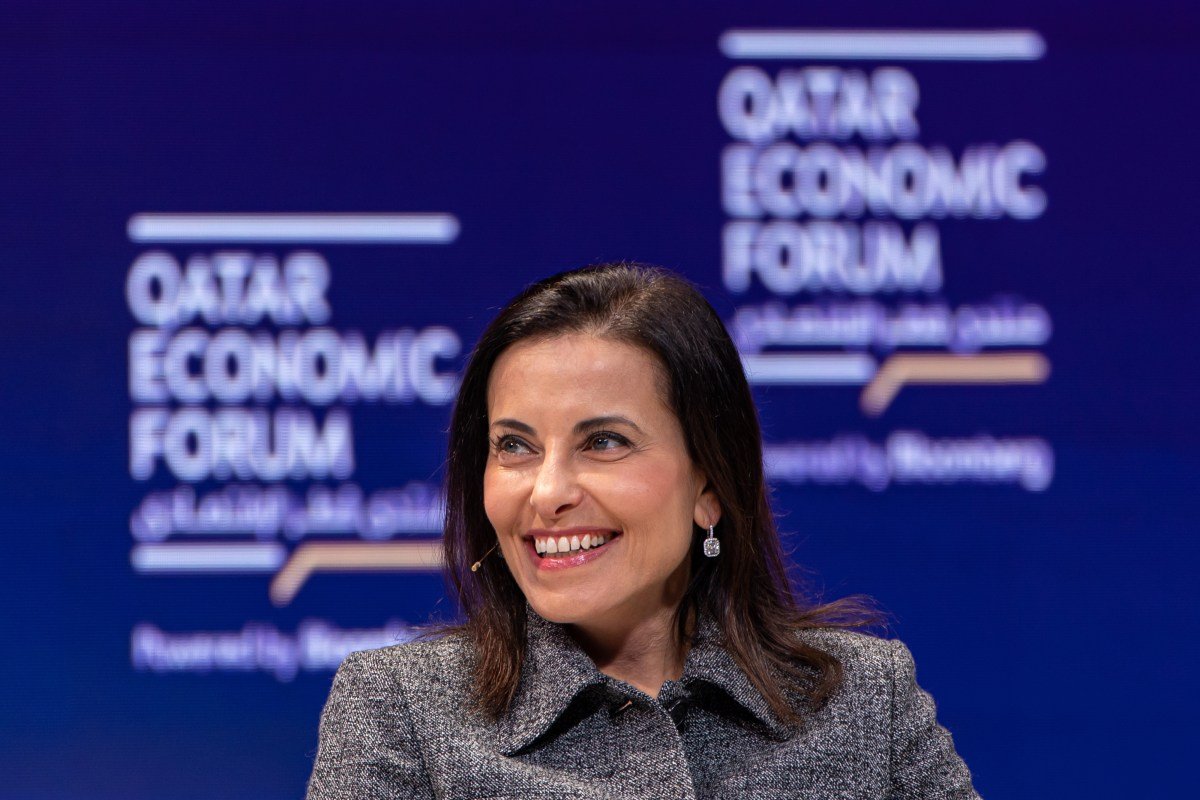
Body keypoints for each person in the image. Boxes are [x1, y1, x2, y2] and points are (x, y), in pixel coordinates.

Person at [306, 263, 981, 799]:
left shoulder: (864, 698)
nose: (548, 493)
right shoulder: (402, 709)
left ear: (709, 486)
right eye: (514, 446)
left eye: (604, 442)